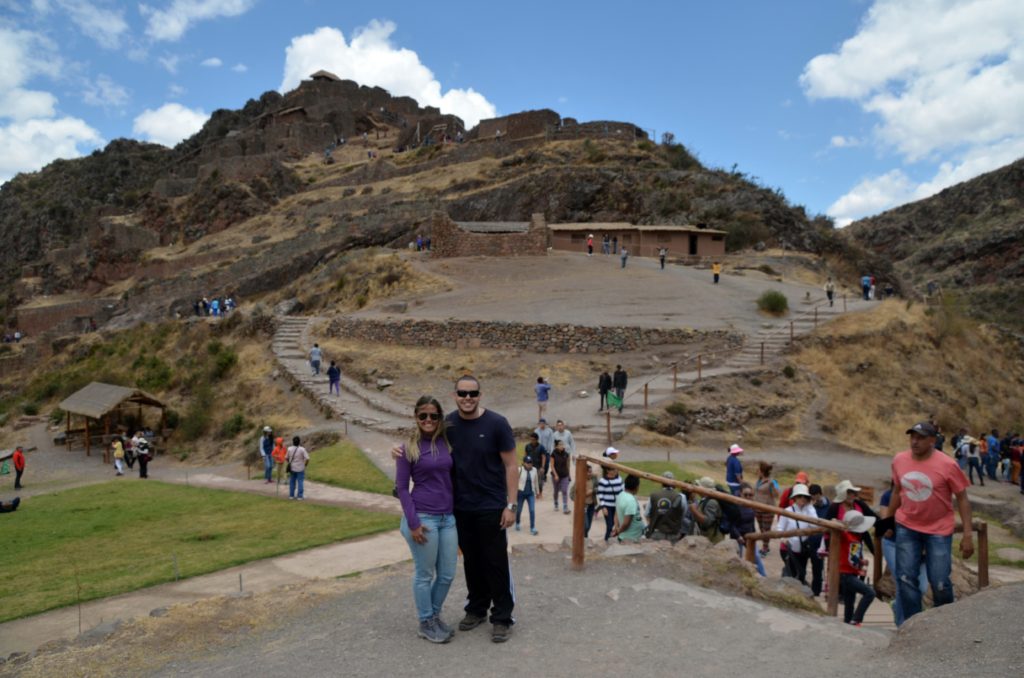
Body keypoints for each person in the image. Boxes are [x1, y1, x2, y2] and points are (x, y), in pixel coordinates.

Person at [407, 376, 518, 643]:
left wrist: (511, 505)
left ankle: (502, 616)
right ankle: (477, 608)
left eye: (473, 393)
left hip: (491, 505)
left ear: (480, 395)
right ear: (454, 395)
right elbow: (420, 438)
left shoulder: (497, 424)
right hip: (459, 507)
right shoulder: (449, 426)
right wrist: (397, 452)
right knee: (471, 561)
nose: (467, 398)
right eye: (462, 393)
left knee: (495, 561)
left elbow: (512, 465)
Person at [885, 421, 973, 624]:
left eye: (921, 438)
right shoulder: (899, 460)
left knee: (940, 582)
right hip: (907, 526)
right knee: (906, 579)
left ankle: (943, 626)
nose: (914, 442)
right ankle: (913, 626)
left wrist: (967, 535)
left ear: (933, 440)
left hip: (938, 530)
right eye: (912, 437)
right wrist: (888, 521)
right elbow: (897, 491)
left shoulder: (948, 464)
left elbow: (963, 498)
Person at [395, 395, 457, 644]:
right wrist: (413, 523)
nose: (428, 420)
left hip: (447, 518)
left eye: (433, 415)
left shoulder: (446, 442)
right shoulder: (406, 448)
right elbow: (401, 488)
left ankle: (432, 615)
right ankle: (426, 621)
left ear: (440, 418)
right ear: (416, 417)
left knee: (447, 574)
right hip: (423, 518)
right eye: (423, 415)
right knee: (424, 574)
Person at [837, 510, 877, 626]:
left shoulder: (857, 536)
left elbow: (852, 554)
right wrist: (842, 524)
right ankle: (856, 619)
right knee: (870, 593)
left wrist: (861, 561)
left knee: (850, 601)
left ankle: (848, 621)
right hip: (845, 574)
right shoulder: (845, 535)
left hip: (853, 572)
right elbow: (835, 528)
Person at [775, 484, 817, 584]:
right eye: (799, 496)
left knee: (801, 573)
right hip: (788, 548)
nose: (802, 499)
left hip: (803, 549)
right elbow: (780, 528)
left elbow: (815, 526)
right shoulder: (787, 511)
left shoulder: (810, 510)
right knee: (792, 572)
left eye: (805, 496)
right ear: (794, 498)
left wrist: (810, 507)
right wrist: (783, 539)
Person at [645, 471, 686, 543]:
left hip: (656, 532)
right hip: (673, 533)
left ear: (661, 482)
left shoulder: (653, 495)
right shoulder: (681, 497)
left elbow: (647, 514)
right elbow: (683, 515)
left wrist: (652, 524)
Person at [736, 483, 766, 576]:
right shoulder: (736, 506)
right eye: (746, 494)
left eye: (750, 495)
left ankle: (764, 577)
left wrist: (754, 535)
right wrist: (738, 536)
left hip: (749, 536)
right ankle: (739, 577)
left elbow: (752, 522)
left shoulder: (751, 506)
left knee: (756, 556)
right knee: (738, 558)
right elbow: (732, 524)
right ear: (740, 494)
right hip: (738, 536)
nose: (748, 497)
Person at [806, 484, 830, 596]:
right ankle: (816, 591)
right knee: (816, 566)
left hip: (826, 541)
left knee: (826, 567)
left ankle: (829, 590)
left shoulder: (830, 506)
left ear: (820, 494)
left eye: (815, 496)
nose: (814, 499)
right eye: (811, 496)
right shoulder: (811, 507)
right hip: (813, 540)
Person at [753, 461, 779, 555]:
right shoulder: (758, 481)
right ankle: (765, 545)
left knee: (766, 529)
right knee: (761, 528)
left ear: (762, 471)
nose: (757, 471)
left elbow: (777, 495)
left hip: (768, 509)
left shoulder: (772, 481)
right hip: (758, 508)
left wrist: (773, 487)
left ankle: (765, 548)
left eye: (758, 470)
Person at [689, 477, 723, 543]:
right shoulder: (705, 500)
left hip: (712, 540)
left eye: (699, 486)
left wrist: (694, 510)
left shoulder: (711, 502)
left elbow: (707, 522)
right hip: (707, 538)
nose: (697, 487)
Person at [612, 475, 645, 542]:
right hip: (631, 538)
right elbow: (626, 523)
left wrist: (616, 527)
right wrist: (618, 531)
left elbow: (616, 513)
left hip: (625, 536)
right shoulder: (631, 501)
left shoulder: (620, 495)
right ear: (636, 487)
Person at [596, 465, 624, 541]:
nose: (615, 471)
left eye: (616, 469)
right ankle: (606, 540)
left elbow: (623, 491)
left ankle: (615, 540)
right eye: (613, 469)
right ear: (608, 471)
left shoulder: (619, 479)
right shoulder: (603, 481)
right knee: (610, 525)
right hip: (608, 506)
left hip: (617, 506)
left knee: (618, 525)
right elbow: (600, 494)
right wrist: (603, 507)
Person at [516, 456, 539, 535]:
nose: (530, 464)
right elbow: (515, 481)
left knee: (532, 510)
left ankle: (532, 528)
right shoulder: (519, 470)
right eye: (528, 463)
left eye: (531, 463)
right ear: (524, 463)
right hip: (521, 493)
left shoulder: (534, 470)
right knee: (518, 510)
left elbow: (536, 482)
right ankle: (517, 522)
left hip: (530, 494)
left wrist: (538, 492)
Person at [523, 432, 548, 498]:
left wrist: (542, 467)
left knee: (539, 481)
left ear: (537, 440)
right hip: (529, 466)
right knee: (530, 480)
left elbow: (543, 457)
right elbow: (525, 455)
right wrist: (524, 464)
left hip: (539, 466)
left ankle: (540, 493)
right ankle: (531, 493)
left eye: (533, 440)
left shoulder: (541, 447)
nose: (532, 441)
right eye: (531, 439)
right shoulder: (527, 446)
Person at [550, 439, 571, 514]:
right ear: (556, 446)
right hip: (556, 475)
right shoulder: (553, 454)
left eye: (562, 444)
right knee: (556, 491)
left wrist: (569, 475)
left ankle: (565, 507)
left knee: (564, 491)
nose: (562, 446)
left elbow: (568, 465)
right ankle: (556, 502)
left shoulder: (566, 454)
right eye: (560, 445)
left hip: (564, 475)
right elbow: (552, 466)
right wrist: (555, 475)